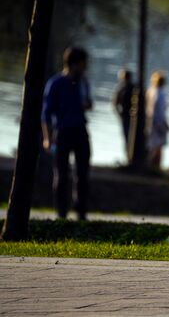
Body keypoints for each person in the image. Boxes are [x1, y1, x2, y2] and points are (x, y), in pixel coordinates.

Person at [41, 46, 92, 221]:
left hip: (80, 130)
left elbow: (88, 103)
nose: (85, 68)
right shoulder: (56, 83)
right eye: (83, 64)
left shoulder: (83, 82)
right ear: (74, 64)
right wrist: (47, 138)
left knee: (82, 173)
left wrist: (87, 104)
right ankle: (61, 213)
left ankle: (81, 212)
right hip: (62, 131)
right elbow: (46, 113)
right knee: (61, 174)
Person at [145, 70, 169, 170]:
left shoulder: (150, 91)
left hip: (150, 122)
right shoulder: (161, 94)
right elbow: (160, 111)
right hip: (158, 123)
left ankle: (152, 166)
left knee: (152, 145)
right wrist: (165, 125)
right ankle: (156, 167)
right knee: (159, 146)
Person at [112, 68, 134, 159]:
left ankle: (130, 156)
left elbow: (115, 103)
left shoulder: (132, 88)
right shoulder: (121, 88)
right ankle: (128, 157)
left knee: (129, 137)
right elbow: (115, 103)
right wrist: (119, 114)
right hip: (125, 116)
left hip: (131, 117)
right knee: (126, 137)